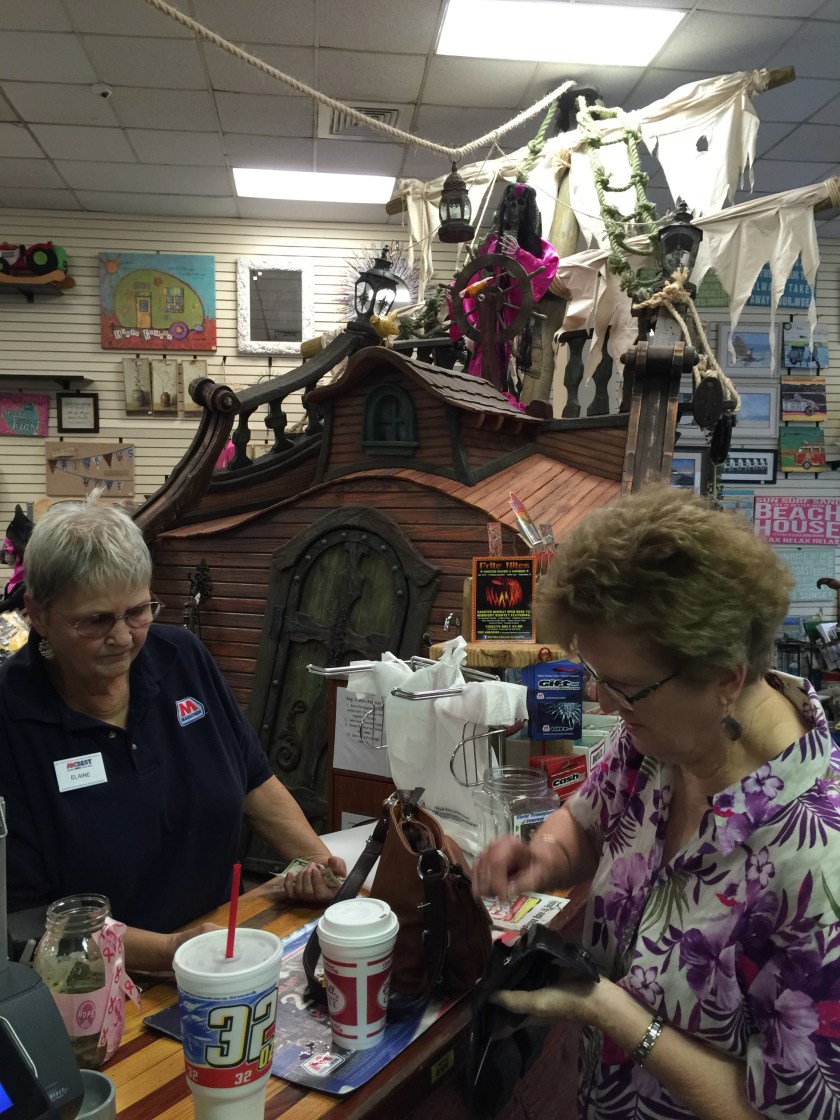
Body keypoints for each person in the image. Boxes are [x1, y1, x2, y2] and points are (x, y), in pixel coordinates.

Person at [471, 485, 840, 1120]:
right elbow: (588, 823)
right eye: (597, 678)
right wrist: (545, 856)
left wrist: (608, 1011)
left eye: (625, 688)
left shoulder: (819, 862)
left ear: (725, 677)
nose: (603, 703)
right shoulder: (656, 741)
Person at [0, 494, 346, 971]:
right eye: (95, 621)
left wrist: (322, 869)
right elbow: (26, 919)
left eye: (138, 611)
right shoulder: (12, 718)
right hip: (95, 983)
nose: (123, 638)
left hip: (220, 945)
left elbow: (254, 782)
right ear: (37, 614)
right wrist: (170, 950)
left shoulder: (182, 658)